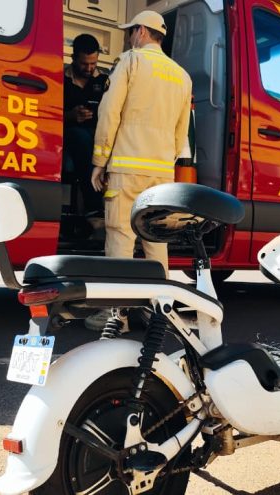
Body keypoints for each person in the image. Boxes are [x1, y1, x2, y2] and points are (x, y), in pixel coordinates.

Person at [84, 10, 192, 331]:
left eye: (132, 31)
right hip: (160, 176)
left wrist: (99, 162)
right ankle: (159, 313)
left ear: (142, 32)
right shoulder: (182, 77)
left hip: (127, 168)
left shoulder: (130, 62)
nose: (131, 36)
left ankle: (115, 316)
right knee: (157, 243)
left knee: (120, 238)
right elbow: (180, 133)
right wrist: (163, 166)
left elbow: (109, 113)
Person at [63, 34, 109, 217]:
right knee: (80, 137)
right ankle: (94, 206)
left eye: (93, 63)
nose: (89, 68)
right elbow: (45, 112)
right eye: (84, 64)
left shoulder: (105, 81)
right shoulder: (61, 79)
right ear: (73, 58)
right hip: (69, 134)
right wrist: (71, 115)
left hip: (97, 134)